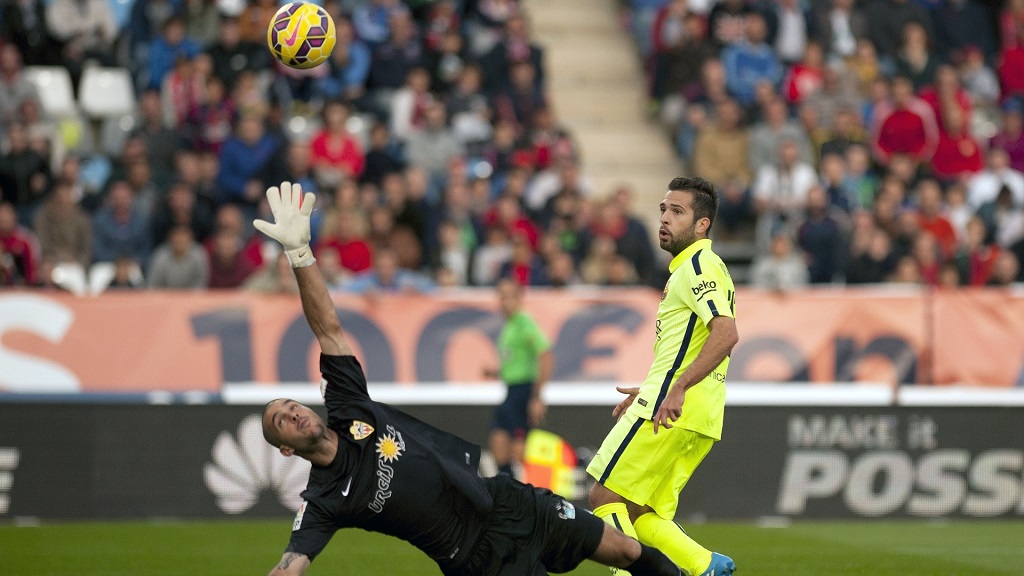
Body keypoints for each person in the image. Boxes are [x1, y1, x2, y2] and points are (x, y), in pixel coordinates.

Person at [254, 182, 683, 576]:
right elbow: (291, 564)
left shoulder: (348, 407)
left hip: (506, 501)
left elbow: (328, 328)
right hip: (475, 558)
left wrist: (300, 256)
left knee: (623, 550)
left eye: (291, 406)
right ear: (287, 449)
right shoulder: (324, 500)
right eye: (282, 422)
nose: (293, 414)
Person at [587, 177, 739, 576]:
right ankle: (704, 565)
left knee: (604, 493)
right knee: (639, 511)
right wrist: (656, 386)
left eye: (677, 212)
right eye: (663, 210)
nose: (665, 219)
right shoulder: (695, 268)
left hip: (671, 407)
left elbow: (726, 333)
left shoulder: (698, 265)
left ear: (702, 224)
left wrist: (675, 388)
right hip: (698, 413)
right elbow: (691, 345)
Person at [484, 278, 552, 477]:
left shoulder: (524, 322)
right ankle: (509, 495)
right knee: (498, 443)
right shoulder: (509, 326)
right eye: (502, 297)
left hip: (523, 391)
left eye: (510, 297)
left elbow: (545, 353)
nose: (505, 302)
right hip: (511, 390)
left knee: (519, 450)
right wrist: (497, 372)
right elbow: (517, 360)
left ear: (519, 299)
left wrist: (537, 397)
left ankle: (527, 495)